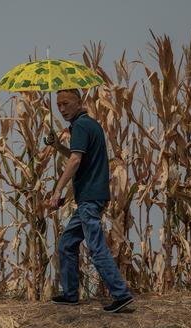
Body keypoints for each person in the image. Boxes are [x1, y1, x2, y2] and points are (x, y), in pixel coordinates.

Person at [44, 88, 134, 313]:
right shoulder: (89, 125)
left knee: (95, 246)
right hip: (91, 196)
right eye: (59, 106)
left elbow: (75, 160)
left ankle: (121, 295)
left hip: (90, 198)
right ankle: (71, 294)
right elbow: (79, 155)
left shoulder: (81, 126)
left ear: (79, 101)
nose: (62, 109)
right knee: (67, 243)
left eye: (66, 103)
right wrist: (57, 146)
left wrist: (57, 191)